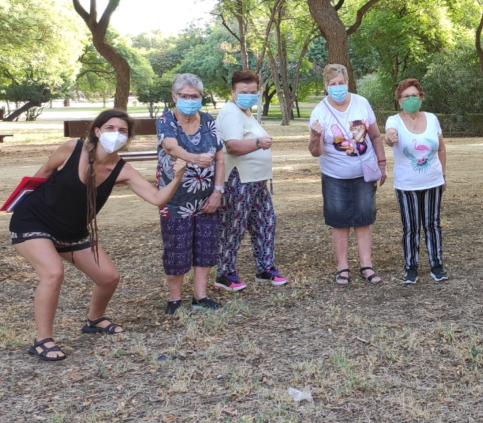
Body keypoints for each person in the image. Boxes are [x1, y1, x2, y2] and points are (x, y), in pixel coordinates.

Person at [10, 109, 187, 361]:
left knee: (109, 277)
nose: (116, 134)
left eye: (123, 131)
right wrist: (18, 202)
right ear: (97, 131)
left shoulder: (122, 169)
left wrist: (178, 175)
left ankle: (94, 320)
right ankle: (42, 340)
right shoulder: (73, 148)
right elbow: (44, 172)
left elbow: (157, 198)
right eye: (110, 128)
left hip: (71, 230)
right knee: (53, 273)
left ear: (128, 138)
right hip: (34, 220)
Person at [309, 64, 388, 285]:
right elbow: (316, 152)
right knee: (340, 222)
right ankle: (343, 267)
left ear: (347, 82)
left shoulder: (361, 103)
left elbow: (375, 136)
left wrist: (382, 163)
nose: (338, 87)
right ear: (326, 87)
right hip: (334, 176)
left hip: (364, 174)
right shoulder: (319, 112)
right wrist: (315, 136)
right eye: (333, 84)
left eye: (341, 82)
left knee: (364, 220)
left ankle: (366, 266)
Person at [157, 73, 226, 315]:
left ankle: (201, 296)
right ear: (174, 96)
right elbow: (170, 146)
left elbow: (219, 158)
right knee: (176, 248)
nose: (189, 100)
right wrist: (194, 158)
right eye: (184, 96)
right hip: (175, 199)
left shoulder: (208, 120)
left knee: (206, 247)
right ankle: (175, 299)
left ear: (201, 97)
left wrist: (217, 191)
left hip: (207, 198)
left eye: (194, 96)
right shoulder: (166, 119)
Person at [214, 70, 287, 292]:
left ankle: (265, 268)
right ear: (233, 92)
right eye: (243, 91)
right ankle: (224, 274)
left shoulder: (244, 113)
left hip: (257, 181)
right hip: (239, 179)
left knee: (265, 223)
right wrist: (258, 143)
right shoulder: (231, 113)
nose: (249, 95)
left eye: (253, 91)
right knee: (233, 227)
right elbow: (232, 146)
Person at [385, 79, 448, 284]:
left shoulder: (432, 119)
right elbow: (389, 136)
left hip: (433, 181)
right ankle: (411, 267)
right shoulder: (393, 120)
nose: (411, 99)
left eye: (414, 95)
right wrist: (391, 137)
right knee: (410, 227)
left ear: (421, 97)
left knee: (432, 224)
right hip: (407, 185)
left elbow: (441, 149)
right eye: (406, 96)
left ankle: (436, 265)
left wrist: (443, 175)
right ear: (399, 101)